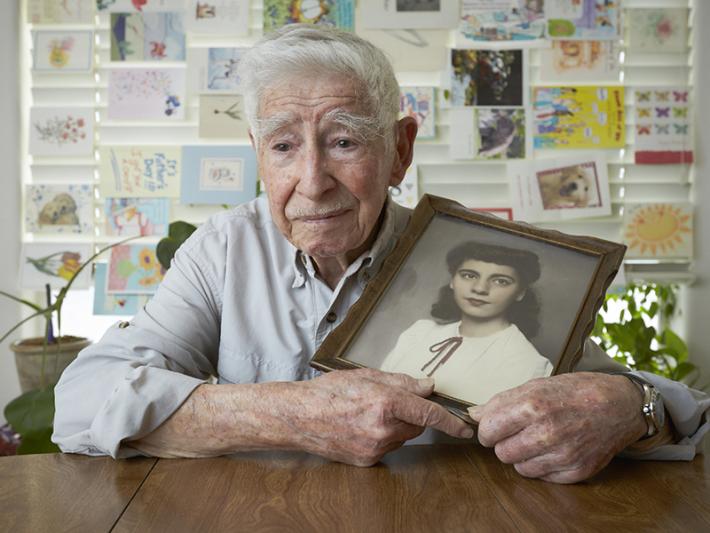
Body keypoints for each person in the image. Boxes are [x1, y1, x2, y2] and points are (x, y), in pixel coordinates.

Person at [53, 25, 709, 484]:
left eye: (343, 141)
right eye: (283, 146)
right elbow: (82, 401)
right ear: (257, 152)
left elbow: (674, 413)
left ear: (400, 149)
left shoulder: (472, 256)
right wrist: (295, 414)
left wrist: (629, 410)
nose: (312, 181)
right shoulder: (222, 250)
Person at [380, 241, 552, 404]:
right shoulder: (419, 332)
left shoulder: (530, 366)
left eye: (500, 281)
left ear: (520, 292)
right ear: (452, 281)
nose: (479, 289)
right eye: (469, 275)